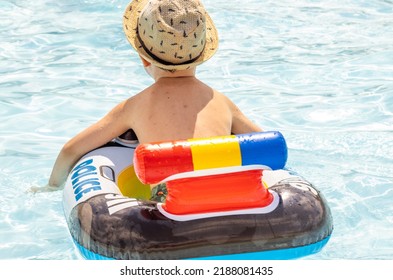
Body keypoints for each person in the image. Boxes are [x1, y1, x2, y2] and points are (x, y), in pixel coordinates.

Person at [33, 0, 262, 193]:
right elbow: (263, 142)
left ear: (144, 59)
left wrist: (52, 187)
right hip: (227, 201)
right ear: (202, 54)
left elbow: (71, 150)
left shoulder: (135, 106)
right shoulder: (221, 101)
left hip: (171, 209)